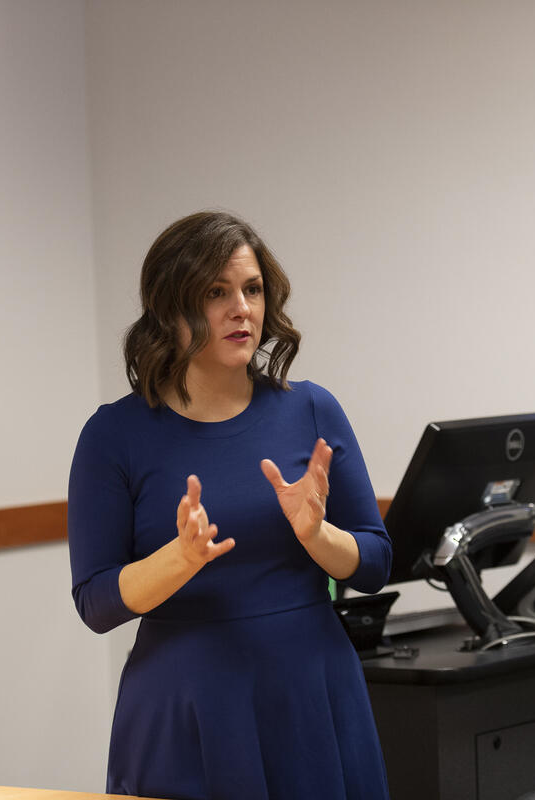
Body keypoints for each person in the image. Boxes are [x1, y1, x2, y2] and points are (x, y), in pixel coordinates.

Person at [66, 211, 392, 800]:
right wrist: (182, 558)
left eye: (252, 289)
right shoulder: (113, 436)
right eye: (216, 293)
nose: (241, 308)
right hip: (187, 703)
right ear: (170, 309)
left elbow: (374, 563)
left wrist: (317, 536)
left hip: (312, 692)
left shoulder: (312, 409)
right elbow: (95, 602)